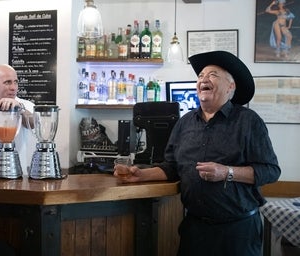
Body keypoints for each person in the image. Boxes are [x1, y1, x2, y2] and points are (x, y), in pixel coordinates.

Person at [114, 51, 281, 256]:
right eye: (201, 76)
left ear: (231, 87)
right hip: (195, 229)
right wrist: (141, 174)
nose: (204, 79)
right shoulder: (184, 123)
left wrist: (227, 172)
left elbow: (270, 171)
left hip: (238, 232)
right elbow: (172, 167)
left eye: (213, 75)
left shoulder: (248, 122)